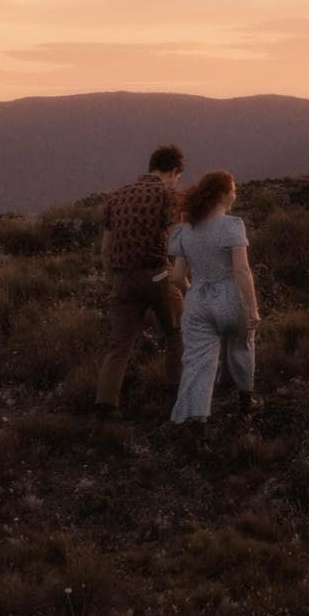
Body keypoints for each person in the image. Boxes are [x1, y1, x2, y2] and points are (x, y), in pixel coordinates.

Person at [93, 144, 187, 417]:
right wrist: (182, 277)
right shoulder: (168, 195)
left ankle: (105, 409)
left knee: (118, 346)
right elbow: (176, 240)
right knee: (176, 331)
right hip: (157, 274)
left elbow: (105, 248)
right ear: (173, 171)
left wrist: (114, 278)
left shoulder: (117, 196)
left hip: (122, 279)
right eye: (178, 177)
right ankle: (175, 397)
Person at [162, 169, 260, 429]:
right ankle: (245, 402)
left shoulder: (186, 230)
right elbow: (241, 270)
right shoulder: (232, 225)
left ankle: (197, 422)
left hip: (198, 301)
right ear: (223, 195)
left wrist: (194, 290)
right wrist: (253, 309)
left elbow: (178, 276)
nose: (235, 194)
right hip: (230, 297)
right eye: (233, 190)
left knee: (198, 362)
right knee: (241, 347)